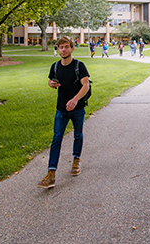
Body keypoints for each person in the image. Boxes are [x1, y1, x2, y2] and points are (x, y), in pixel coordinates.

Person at [38, 36, 91, 189]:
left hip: (77, 109)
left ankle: (76, 160)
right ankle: (51, 173)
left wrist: (75, 100)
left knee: (78, 135)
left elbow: (85, 86)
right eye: (60, 47)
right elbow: (51, 81)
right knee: (56, 139)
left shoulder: (79, 66)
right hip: (61, 109)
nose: (63, 49)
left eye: (66, 46)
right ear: (58, 49)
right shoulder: (55, 67)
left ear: (72, 48)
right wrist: (51, 84)